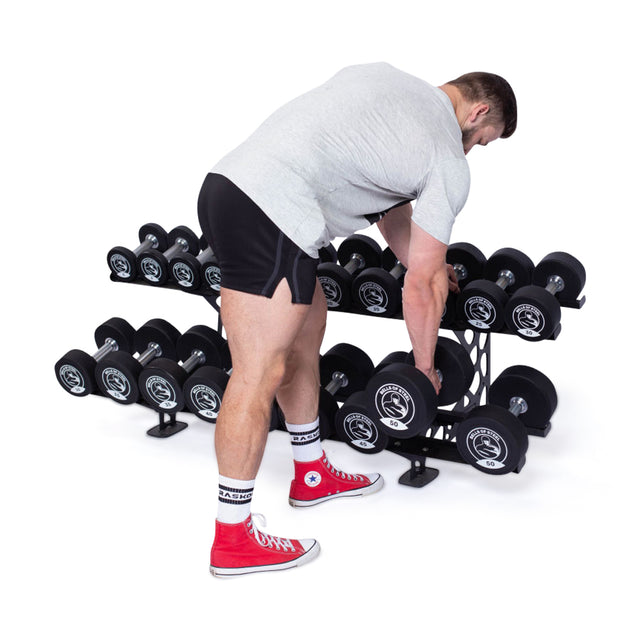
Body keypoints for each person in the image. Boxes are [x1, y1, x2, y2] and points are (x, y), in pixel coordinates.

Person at [197, 62, 517, 577]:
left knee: (306, 336)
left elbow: (393, 215)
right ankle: (233, 538)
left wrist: (428, 263)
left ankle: (311, 475)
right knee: (257, 372)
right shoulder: (445, 155)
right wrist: (424, 367)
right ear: (478, 112)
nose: (473, 150)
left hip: (238, 192)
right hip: (271, 211)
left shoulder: (387, 83)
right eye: (483, 140)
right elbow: (421, 288)